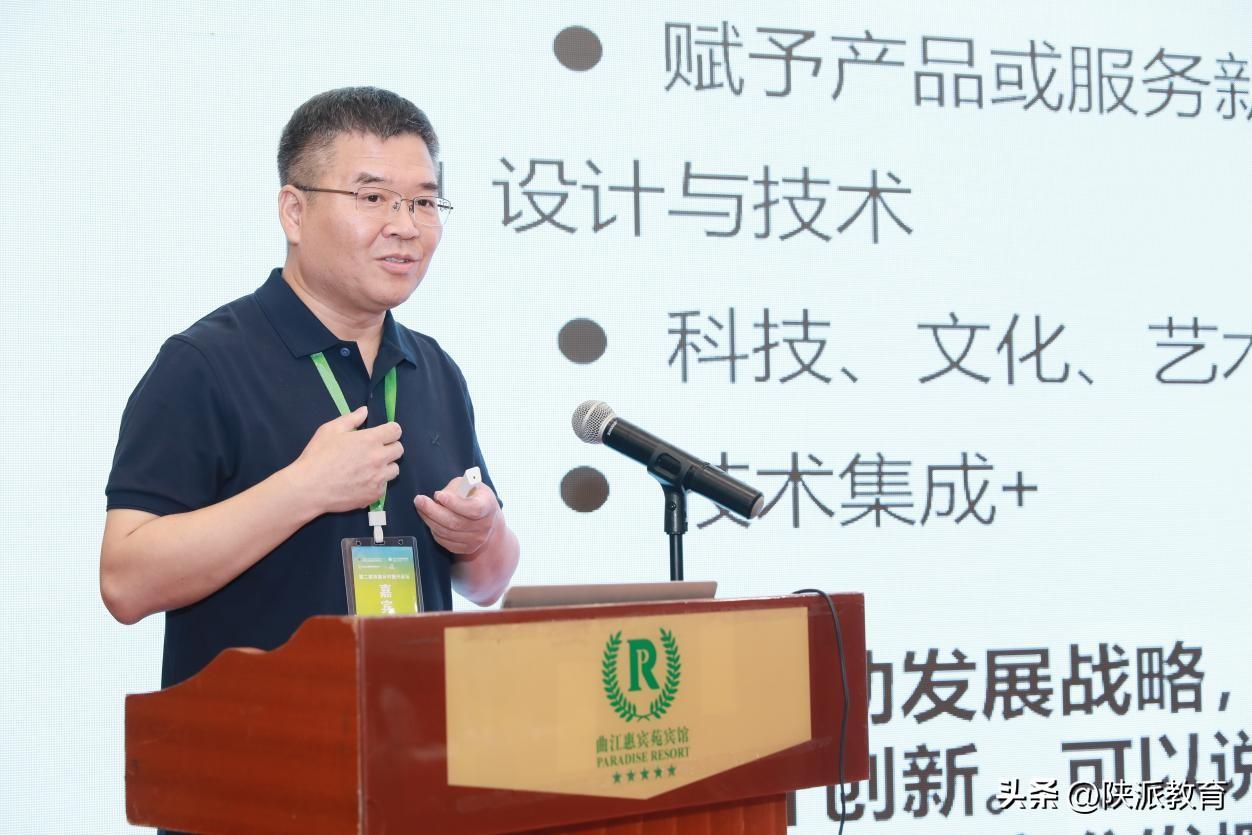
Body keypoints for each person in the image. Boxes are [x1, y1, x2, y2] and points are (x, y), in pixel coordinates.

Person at [100, 87, 519, 689]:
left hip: (412, 733)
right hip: (256, 736)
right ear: (294, 212)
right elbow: (125, 583)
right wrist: (305, 489)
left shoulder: (433, 369)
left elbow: (486, 583)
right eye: (373, 198)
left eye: (424, 202)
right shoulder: (204, 363)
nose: (406, 227)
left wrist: (484, 533)